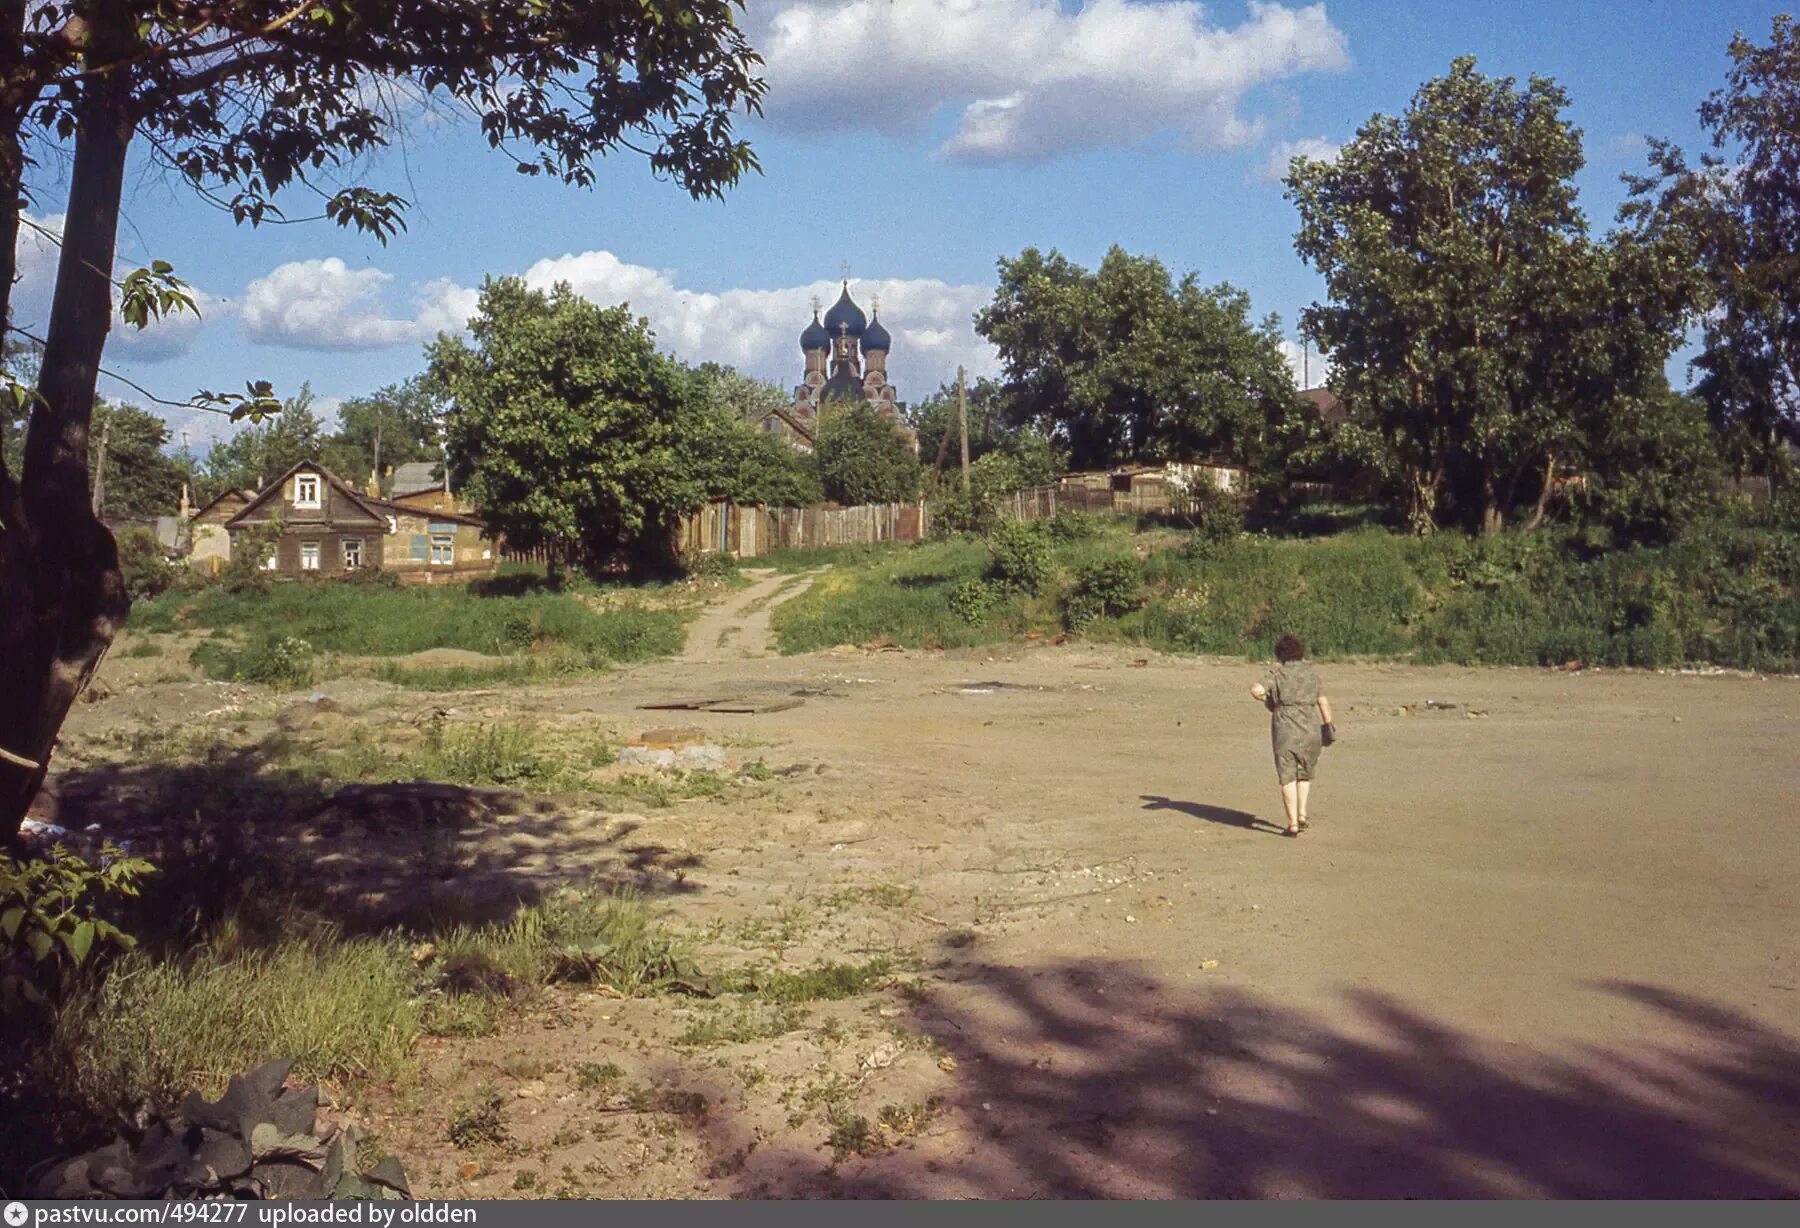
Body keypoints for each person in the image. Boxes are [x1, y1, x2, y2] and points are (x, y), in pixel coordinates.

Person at [1250, 634, 1334, 838]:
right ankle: (1303, 814)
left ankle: (1293, 824)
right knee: (1304, 773)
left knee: (1287, 776)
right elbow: (1323, 702)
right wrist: (1328, 725)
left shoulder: (1277, 674)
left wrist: (1268, 700)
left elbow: (1256, 689)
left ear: (1280, 654)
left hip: (1285, 730)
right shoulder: (1312, 675)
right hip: (1310, 728)